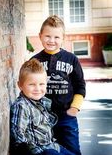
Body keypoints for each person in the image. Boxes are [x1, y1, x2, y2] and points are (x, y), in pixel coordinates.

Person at [31, 15, 86, 155]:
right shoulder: (35, 61)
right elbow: (28, 86)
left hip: (66, 116)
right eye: (47, 36)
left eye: (56, 37)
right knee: (49, 151)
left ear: (63, 38)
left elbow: (80, 85)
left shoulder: (71, 59)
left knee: (72, 150)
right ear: (40, 36)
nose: (51, 41)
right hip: (42, 117)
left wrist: (75, 108)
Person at [10, 59, 74, 155]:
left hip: (52, 145)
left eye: (41, 84)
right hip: (41, 151)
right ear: (20, 85)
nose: (37, 89)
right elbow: (17, 133)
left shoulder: (43, 101)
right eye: (32, 84)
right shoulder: (22, 106)